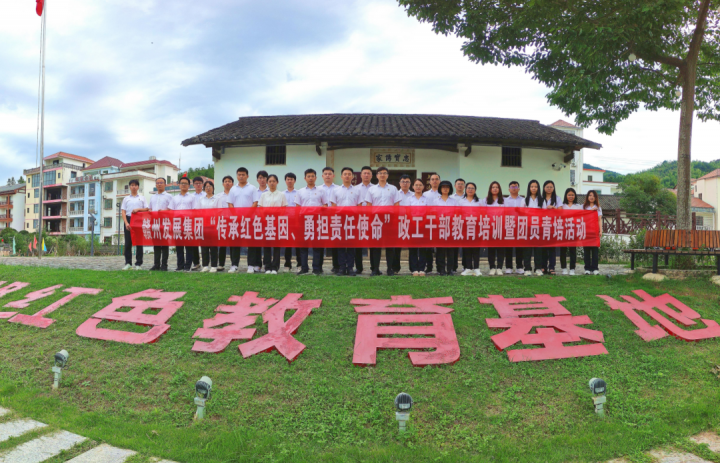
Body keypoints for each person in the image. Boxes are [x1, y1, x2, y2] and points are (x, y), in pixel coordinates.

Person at [365, 167, 398, 276]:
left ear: (387, 175)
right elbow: (369, 206)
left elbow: (396, 205)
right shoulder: (371, 189)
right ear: (377, 175)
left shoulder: (393, 189)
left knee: (390, 246)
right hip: (376, 220)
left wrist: (395, 219)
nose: (382, 175)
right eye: (380, 173)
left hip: (389, 219)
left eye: (384, 173)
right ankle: (375, 269)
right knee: (375, 245)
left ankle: (390, 269)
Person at [330, 167, 363, 276]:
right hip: (339, 221)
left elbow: (359, 206)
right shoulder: (336, 190)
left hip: (352, 221)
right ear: (341, 176)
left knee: (351, 246)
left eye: (349, 174)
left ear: (352, 176)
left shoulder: (357, 190)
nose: (347, 176)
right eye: (345, 174)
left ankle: (350, 268)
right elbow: (333, 207)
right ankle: (341, 268)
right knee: (340, 246)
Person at [295, 168, 327, 275]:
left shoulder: (321, 191)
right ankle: (304, 268)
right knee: (303, 246)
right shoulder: (300, 191)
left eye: (312, 176)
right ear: (305, 178)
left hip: (317, 220)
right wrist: (297, 221)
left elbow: (325, 205)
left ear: (316, 178)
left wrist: (319, 210)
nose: (310, 178)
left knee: (316, 245)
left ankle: (316, 268)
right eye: (308, 176)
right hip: (304, 220)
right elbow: (297, 207)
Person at [226, 167, 257, 274]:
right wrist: (236, 215)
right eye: (239, 174)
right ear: (237, 176)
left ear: (247, 176)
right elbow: (230, 203)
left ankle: (251, 265)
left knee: (251, 243)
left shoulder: (252, 188)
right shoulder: (233, 189)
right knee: (235, 242)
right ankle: (234, 265)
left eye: (243, 174)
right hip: (236, 220)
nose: (241, 176)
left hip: (250, 219)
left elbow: (255, 202)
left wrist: (248, 215)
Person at [258, 174, 287, 274]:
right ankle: (267, 266)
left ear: (277, 182)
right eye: (270, 181)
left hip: (277, 222)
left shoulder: (281, 194)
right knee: (266, 245)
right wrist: (264, 219)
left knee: (276, 245)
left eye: (274, 181)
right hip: (266, 222)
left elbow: (284, 209)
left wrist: (278, 219)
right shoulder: (264, 195)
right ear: (267, 182)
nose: (272, 183)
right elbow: (260, 209)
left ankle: (275, 267)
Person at [168, 176, 196, 271]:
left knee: (189, 246)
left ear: (189, 185)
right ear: (179, 185)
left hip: (188, 223)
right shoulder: (174, 198)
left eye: (185, 183)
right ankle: (180, 266)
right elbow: (170, 211)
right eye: (182, 183)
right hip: (177, 223)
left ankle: (187, 266)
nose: (183, 185)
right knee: (179, 246)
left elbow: (195, 211)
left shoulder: (192, 197)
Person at [432, 180, 459, 276]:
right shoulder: (435, 201)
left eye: (447, 187)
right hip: (440, 227)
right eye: (443, 187)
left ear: (450, 189)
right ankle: (441, 269)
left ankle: (450, 269)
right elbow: (433, 214)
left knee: (451, 250)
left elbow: (457, 214)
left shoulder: (454, 201)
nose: (445, 189)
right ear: (440, 189)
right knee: (440, 250)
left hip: (451, 227)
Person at [120, 179, 148, 270]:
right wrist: (126, 223)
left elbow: (147, 209)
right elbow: (123, 211)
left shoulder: (142, 198)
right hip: (129, 219)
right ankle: (128, 263)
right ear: (130, 187)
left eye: (135, 185)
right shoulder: (126, 199)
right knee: (128, 242)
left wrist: (138, 209)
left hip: (139, 220)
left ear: (138, 187)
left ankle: (138, 264)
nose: (134, 187)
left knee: (139, 242)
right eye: (132, 185)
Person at [318, 167, 340, 273]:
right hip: (321, 219)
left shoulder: (338, 189)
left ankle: (336, 266)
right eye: (325, 174)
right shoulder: (318, 189)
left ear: (333, 176)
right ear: (322, 176)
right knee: (320, 243)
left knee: (336, 242)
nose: (327, 175)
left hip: (335, 219)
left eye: (330, 174)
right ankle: (319, 267)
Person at [481, 181, 505, 275]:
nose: (495, 189)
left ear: (499, 189)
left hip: (501, 227)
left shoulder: (504, 200)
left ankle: (499, 268)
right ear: (490, 189)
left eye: (497, 187)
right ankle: (491, 267)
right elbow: (482, 212)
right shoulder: (485, 200)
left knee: (500, 248)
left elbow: (507, 212)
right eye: (493, 187)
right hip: (490, 226)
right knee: (491, 248)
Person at [196, 180, 220, 272]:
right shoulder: (201, 199)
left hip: (213, 225)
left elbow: (219, 211)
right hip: (203, 225)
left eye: (210, 186)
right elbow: (198, 212)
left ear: (213, 188)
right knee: (204, 246)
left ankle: (214, 266)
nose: (208, 188)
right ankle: (205, 265)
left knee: (213, 246)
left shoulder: (217, 198)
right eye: (206, 187)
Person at [148, 177, 172, 271]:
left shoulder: (169, 196)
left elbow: (172, 209)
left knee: (164, 244)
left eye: (161, 183)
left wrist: (164, 211)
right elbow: (150, 208)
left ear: (165, 184)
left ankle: (164, 265)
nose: (159, 184)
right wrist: (150, 211)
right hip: (155, 222)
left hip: (165, 222)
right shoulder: (152, 197)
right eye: (157, 183)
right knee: (156, 244)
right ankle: (156, 264)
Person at [354, 166, 374, 274]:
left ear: (371, 175)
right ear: (361, 175)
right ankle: (359, 267)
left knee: (373, 244)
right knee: (358, 244)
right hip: (359, 219)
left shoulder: (376, 188)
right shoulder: (355, 189)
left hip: (373, 220)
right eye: (364, 173)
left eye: (368, 173)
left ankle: (374, 267)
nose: (366, 175)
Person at [407, 178, 429, 276]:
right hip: (412, 225)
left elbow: (429, 212)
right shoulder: (409, 199)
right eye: (416, 185)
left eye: (420, 185)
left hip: (424, 225)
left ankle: (422, 269)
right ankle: (414, 269)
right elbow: (407, 212)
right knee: (413, 248)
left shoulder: (426, 199)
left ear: (423, 187)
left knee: (423, 248)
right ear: (413, 187)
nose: (418, 187)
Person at [248, 170, 269, 274]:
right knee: (255, 242)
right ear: (257, 180)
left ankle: (266, 264)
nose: (262, 180)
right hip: (255, 220)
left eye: (264, 178)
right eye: (260, 178)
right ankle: (257, 264)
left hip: (267, 220)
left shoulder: (270, 191)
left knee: (266, 242)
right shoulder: (254, 191)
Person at [392, 174, 413, 273]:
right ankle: (395, 268)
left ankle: (413, 268)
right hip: (398, 222)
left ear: (410, 183)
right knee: (396, 246)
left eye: (407, 182)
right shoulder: (395, 194)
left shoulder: (414, 195)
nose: (405, 183)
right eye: (403, 182)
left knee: (412, 246)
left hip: (411, 222)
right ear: (399, 183)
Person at [459, 182, 482, 276]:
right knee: (467, 249)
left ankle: (476, 268)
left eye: (472, 188)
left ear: (475, 190)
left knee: (476, 248)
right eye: (468, 188)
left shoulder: (480, 202)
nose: (470, 190)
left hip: (476, 227)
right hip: (465, 227)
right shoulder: (461, 201)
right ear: (465, 189)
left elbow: (483, 213)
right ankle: (468, 268)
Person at [503, 180, 526, 275]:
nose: (514, 189)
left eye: (515, 187)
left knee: (519, 247)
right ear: (509, 189)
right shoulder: (505, 200)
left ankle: (519, 267)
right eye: (512, 187)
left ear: (519, 189)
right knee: (508, 247)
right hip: (509, 224)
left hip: (520, 224)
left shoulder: (523, 199)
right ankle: (508, 267)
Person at [559, 187, 582, 275]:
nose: (571, 196)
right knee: (563, 250)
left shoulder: (578, 206)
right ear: (566, 196)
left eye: (572, 195)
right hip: (563, 230)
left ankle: (572, 269)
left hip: (573, 230)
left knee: (572, 250)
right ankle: (564, 268)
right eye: (569, 195)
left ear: (575, 196)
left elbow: (582, 217)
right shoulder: (562, 206)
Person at [523, 180, 544, 276]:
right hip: (528, 227)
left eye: (535, 186)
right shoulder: (524, 200)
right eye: (532, 186)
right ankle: (527, 268)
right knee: (527, 249)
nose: (534, 188)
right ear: (529, 188)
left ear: (538, 188)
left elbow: (544, 213)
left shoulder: (542, 200)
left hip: (538, 227)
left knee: (538, 249)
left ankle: (538, 268)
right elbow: (521, 213)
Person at [214, 175, 234, 271]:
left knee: (233, 243)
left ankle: (234, 264)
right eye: (225, 181)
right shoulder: (218, 196)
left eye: (229, 181)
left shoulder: (235, 195)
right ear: (223, 184)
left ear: (232, 184)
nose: (227, 183)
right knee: (222, 244)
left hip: (233, 221)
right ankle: (221, 264)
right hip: (222, 221)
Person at [422, 173, 441, 273]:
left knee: (439, 246)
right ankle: (429, 266)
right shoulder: (425, 194)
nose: (434, 181)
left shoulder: (443, 194)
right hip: (428, 222)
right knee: (427, 246)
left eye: (436, 179)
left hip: (440, 222)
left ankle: (439, 267)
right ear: (429, 182)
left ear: (439, 181)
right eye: (432, 179)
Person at [541, 180, 560, 275]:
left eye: (551, 187)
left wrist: (554, 208)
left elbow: (561, 211)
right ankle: (543, 266)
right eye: (547, 187)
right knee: (543, 248)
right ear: (544, 188)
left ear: (553, 188)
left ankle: (551, 267)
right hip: (542, 225)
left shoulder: (557, 198)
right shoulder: (540, 198)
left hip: (553, 225)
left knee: (552, 248)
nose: (549, 188)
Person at [283, 173, 300, 270]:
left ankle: (299, 264)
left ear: (295, 181)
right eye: (288, 179)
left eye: (291, 179)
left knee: (298, 243)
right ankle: (287, 264)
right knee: (287, 244)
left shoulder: (299, 193)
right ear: (285, 181)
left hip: (296, 220)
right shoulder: (282, 194)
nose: (289, 181)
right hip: (285, 221)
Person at [583, 190, 603, 275]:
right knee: (586, 251)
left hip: (594, 231)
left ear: (596, 198)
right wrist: (591, 211)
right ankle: (587, 268)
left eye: (593, 196)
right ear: (587, 197)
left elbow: (599, 220)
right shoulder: (584, 207)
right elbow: (582, 217)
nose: (591, 197)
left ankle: (595, 268)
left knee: (595, 251)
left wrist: (600, 230)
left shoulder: (598, 207)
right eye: (590, 195)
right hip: (586, 231)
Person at [190, 176, 205, 271]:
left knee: (204, 243)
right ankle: (196, 262)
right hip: (193, 221)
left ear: (202, 184)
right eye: (196, 183)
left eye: (200, 183)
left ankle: (205, 263)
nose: (198, 185)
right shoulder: (191, 196)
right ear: (193, 185)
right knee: (194, 243)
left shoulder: (207, 195)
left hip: (204, 222)